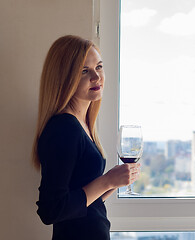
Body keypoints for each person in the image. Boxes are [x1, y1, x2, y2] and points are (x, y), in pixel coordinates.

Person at [32, 35, 141, 239]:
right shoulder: (64, 127)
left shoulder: (82, 124)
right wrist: (107, 181)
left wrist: (114, 182)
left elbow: (83, 201)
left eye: (98, 67)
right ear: (63, 78)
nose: (96, 77)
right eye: (84, 71)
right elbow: (51, 210)